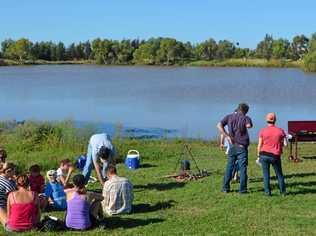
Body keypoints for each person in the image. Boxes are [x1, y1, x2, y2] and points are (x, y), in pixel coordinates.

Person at [217, 103, 253, 193]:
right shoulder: (246, 118)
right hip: (242, 147)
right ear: (245, 111)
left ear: (237, 109)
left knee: (229, 167)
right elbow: (249, 126)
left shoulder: (229, 117)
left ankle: (225, 188)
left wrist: (227, 136)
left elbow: (219, 125)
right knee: (243, 168)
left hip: (232, 146)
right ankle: (242, 189)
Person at [257, 113, 287, 196]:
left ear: (267, 120)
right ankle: (283, 192)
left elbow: (259, 145)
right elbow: (285, 144)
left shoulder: (262, 130)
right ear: (275, 120)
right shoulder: (280, 130)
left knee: (266, 175)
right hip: (275, 156)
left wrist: (258, 155)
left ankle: (267, 193)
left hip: (263, 154)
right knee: (279, 175)